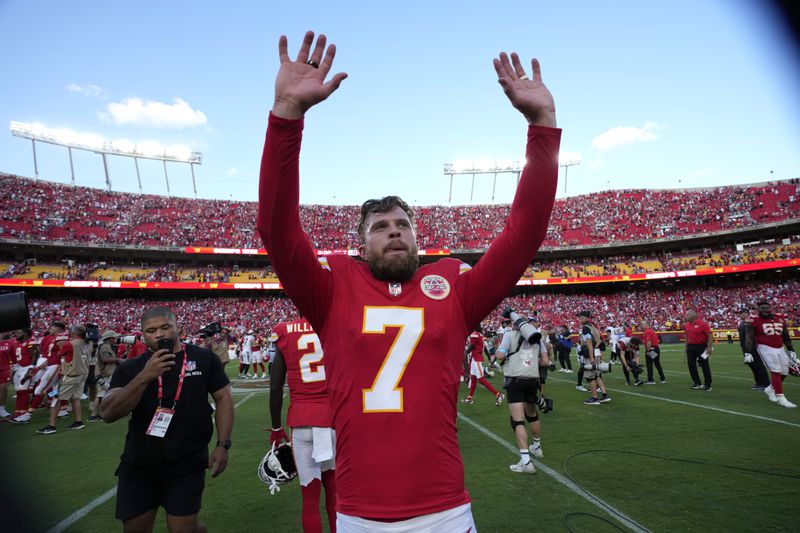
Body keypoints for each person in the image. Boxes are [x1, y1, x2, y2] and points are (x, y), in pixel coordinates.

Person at [257, 30, 559, 529]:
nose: (393, 233)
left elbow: (524, 235)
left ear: (417, 239)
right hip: (359, 513)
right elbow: (276, 228)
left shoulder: (454, 289)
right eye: (380, 227)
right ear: (361, 244)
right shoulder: (331, 290)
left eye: (403, 226)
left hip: (445, 509)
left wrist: (543, 128)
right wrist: (286, 116)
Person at [99, 306, 234, 532]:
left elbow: (224, 398)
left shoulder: (203, 358)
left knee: (183, 529)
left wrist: (223, 444)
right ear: (143, 335)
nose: (159, 334)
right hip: (139, 462)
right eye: (151, 330)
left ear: (177, 327)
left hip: (187, 460)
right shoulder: (133, 367)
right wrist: (145, 377)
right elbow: (108, 413)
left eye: (165, 327)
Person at [269, 317, 337, 532]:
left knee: (309, 501)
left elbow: (275, 388)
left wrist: (276, 427)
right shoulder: (332, 324)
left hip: (301, 421)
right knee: (335, 497)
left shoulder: (284, 331)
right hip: (331, 420)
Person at [495, 314, 549, 474]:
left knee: (518, 421)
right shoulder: (537, 338)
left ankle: (526, 462)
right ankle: (537, 447)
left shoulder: (510, 334)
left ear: (515, 323)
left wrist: (498, 353)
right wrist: (530, 361)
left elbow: (500, 355)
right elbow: (545, 362)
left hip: (515, 380)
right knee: (532, 415)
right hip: (533, 379)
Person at [745, 300, 797, 408]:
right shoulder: (753, 320)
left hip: (780, 347)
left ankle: (770, 389)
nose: (765, 310)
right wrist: (748, 352)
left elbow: (785, 335)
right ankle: (781, 398)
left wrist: (791, 349)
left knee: (784, 371)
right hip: (765, 347)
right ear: (758, 310)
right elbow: (749, 338)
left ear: (770, 308)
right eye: (762, 308)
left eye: (766, 308)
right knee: (775, 371)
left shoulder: (779, 318)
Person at [462, 327, 504, 405]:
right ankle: (470, 398)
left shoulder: (475, 335)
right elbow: (484, 348)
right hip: (475, 359)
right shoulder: (480, 335)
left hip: (476, 358)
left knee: (481, 379)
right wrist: (488, 357)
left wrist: (465, 353)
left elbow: (471, 346)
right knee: (473, 379)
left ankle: (499, 395)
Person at [576, 311, 610, 405]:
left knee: (590, 377)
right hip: (597, 352)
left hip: (591, 354)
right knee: (597, 375)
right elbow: (599, 340)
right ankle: (604, 395)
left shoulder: (585, 328)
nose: (579, 319)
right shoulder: (592, 326)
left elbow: (589, 343)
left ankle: (595, 398)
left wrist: (591, 357)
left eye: (581, 317)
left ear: (586, 317)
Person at [91, 330, 124, 421]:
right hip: (104, 373)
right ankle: (94, 414)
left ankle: (97, 414)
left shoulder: (106, 346)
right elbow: (105, 359)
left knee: (102, 394)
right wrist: (117, 360)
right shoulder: (105, 346)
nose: (115, 339)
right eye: (114, 337)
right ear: (110, 339)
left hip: (105, 373)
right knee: (101, 395)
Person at [738, 308, 769, 391]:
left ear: (746, 313)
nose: (739, 315)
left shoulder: (752, 321)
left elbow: (753, 336)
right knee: (752, 365)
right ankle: (759, 382)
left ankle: (766, 384)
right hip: (745, 348)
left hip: (752, 347)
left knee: (759, 365)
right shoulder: (742, 323)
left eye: (740, 313)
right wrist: (743, 348)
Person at [10, 328, 37, 423]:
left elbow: (34, 355)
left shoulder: (30, 341)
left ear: (25, 333)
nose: (16, 333)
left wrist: (30, 369)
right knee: (18, 391)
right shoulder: (17, 343)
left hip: (27, 368)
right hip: (19, 368)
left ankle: (24, 414)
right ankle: (18, 412)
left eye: (19, 332)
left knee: (24, 391)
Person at [684, 309, 714, 391]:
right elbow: (686, 336)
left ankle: (708, 384)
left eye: (687, 315)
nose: (685, 316)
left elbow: (710, 336)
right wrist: (686, 346)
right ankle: (697, 382)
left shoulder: (703, 324)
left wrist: (709, 347)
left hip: (701, 346)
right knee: (691, 365)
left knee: (704, 365)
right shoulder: (687, 325)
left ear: (692, 316)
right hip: (691, 347)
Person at [641, 320, 666, 384]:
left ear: (647, 324)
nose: (642, 325)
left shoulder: (647, 332)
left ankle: (650, 380)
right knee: (657, 364)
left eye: (643, 324)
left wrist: (648, 350)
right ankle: (662, 379)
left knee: (649, 364)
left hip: (651, 349)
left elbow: (649, 342)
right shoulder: (652, 331)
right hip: (656, 348)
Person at [0, 333, 14, 419]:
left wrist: (12, 366)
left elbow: (12, 357)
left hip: (5, 369)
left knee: (4, 389)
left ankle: (1, 408)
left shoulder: (8, 343)